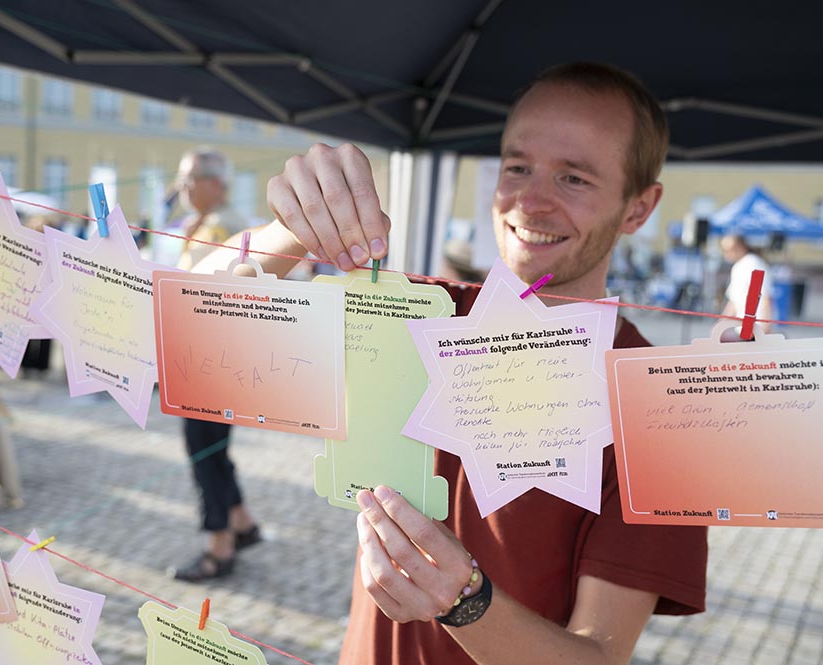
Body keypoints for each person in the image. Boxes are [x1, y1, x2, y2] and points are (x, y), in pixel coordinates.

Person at [197, 61, 708, 664]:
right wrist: (290, 230)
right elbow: (194, 331)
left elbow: (597, 655)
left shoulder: (665, 412)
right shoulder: (420, 312)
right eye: (516, 167)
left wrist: (462, 601)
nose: (531, 200)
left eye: (574, 178)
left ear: (638, 208)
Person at [170, 147, 261, 582]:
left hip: (210, 359)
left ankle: (218, 547)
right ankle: (241, 523)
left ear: (215, 184)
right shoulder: (206, 224)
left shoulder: (225, 226)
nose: (182, 189)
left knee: (203, 450)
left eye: (189, 180)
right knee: (215, 449)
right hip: (202, 355)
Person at [174, 147, 250, 271]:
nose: (181, 185)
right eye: (180, 178)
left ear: (215, 184)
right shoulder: (201, 223)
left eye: (189, 178)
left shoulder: (223, 224)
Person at [719, 233, 773, 332]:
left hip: (755, 328)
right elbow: (733, 301)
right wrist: (720, 326)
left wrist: (765, 327)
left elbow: (765, 295)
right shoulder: (737, 266)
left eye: (729, 249)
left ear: (741, 247)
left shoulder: (753, 263)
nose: (726, 254)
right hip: (745, 327)